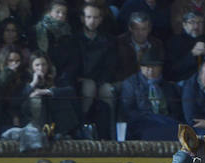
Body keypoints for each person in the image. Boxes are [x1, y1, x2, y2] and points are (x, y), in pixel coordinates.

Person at [119, 46, 182, 141]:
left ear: (160, 67)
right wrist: (153, 118)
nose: (150, 70)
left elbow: (175, 110)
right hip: (142, 125)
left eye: (154, 67)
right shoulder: (131, 84)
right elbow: (128, 112)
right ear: (141, 67)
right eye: (147, 67)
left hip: (167, 123)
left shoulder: (168, 86)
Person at [76, 2, 118, 139]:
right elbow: (71, 65)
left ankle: (110, 136)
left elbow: (110, 66)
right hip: (79, 81)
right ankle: (81, 128)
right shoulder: (74, 39)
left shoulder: (108, 40)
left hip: (100, 80)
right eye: (88, 17)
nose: (92, 21)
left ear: (100, 19)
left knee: (108, 90)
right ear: (83, 18)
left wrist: (100, 81)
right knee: (89, 87)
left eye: (95, 18)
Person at [19, 50, 79, 139]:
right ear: (32, 66)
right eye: (37, 65)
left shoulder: (56, 77)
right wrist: (33, 84)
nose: (41, 68)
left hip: (56, 121)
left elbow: (70, 91)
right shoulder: (25, 79)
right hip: (33, 120)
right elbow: (19, 98)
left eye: (44, 64)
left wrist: (48, 91)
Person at [115, 11, 165, 83]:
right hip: (124, 81)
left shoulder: (157, 44)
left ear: (149, 29)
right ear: (130, 28)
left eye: (143, 29)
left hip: (150, 82)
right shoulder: (119, 42)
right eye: (136, 29)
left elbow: (160, 68)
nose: (140, 33)